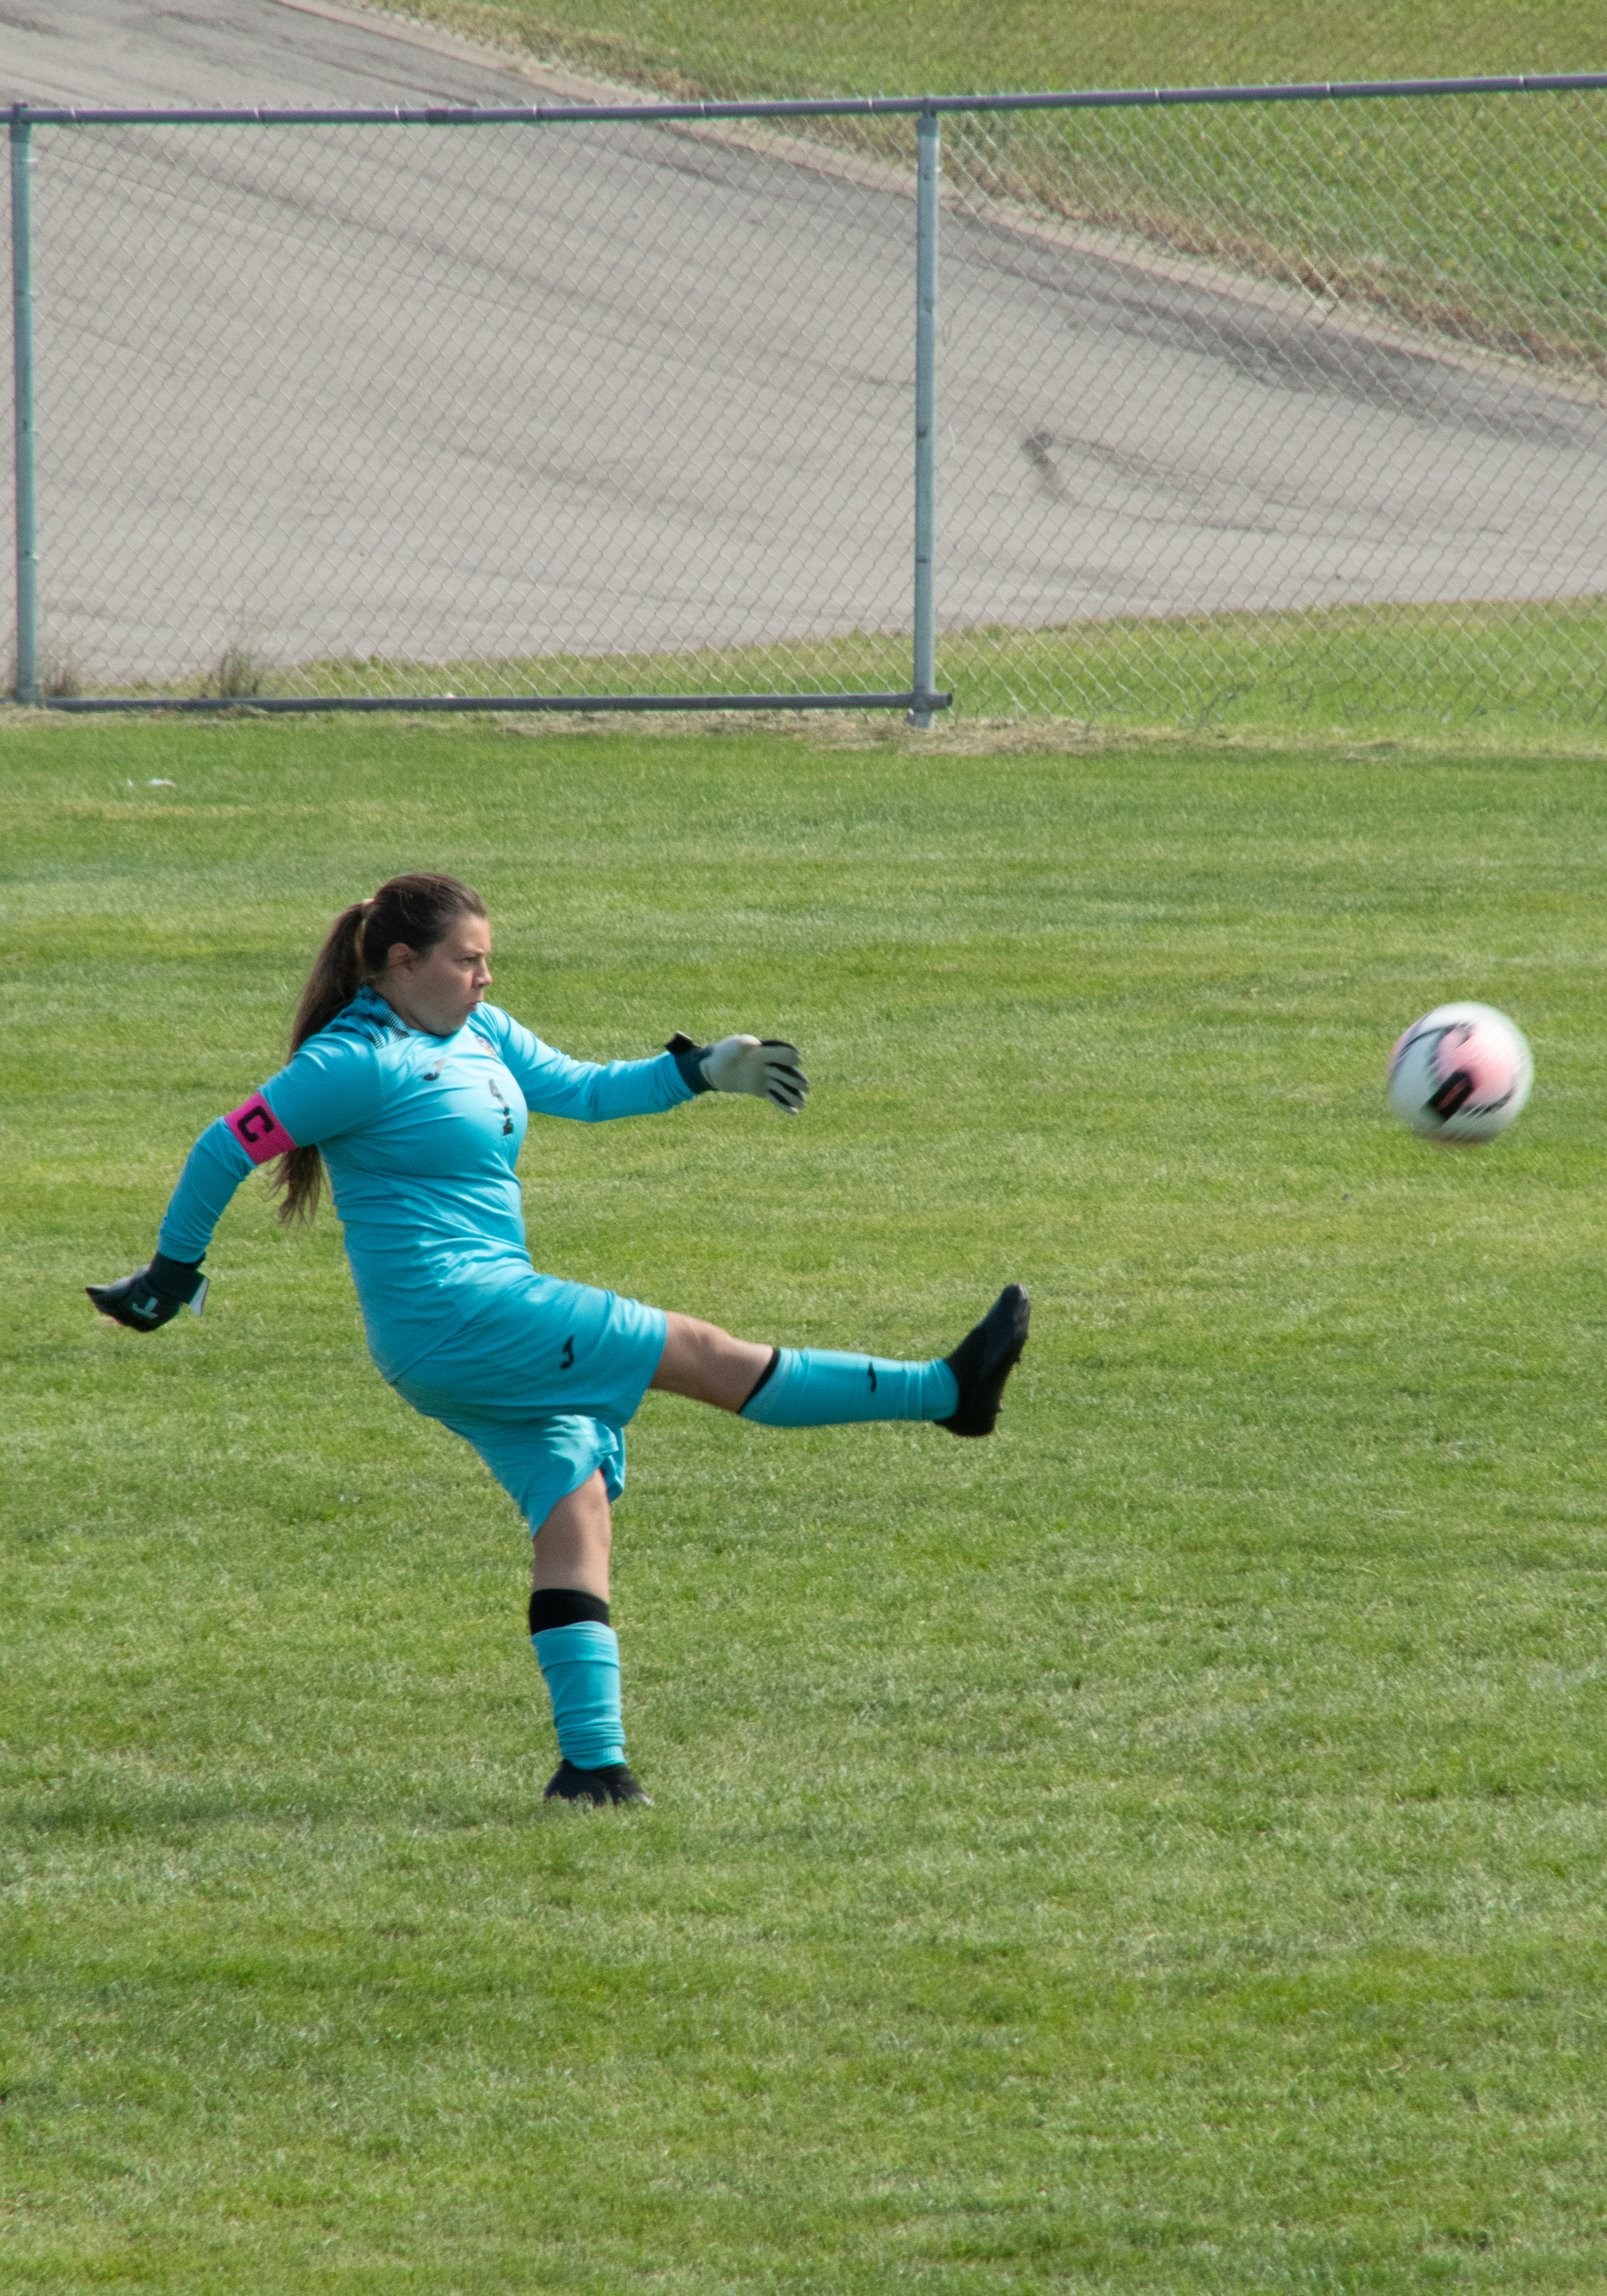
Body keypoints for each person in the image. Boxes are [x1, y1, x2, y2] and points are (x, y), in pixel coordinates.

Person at [89, 872, 1030, 1808]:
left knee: (573, 1508)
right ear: (401, 964)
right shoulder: (354, 1060)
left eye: (489, 961)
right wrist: (171, 1278)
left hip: (453, 1338)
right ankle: (948, 1393)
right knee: (699, 1353)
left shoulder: (478, 1032)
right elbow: (225, 1145)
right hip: (463, 1314)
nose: (486, 979)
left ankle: (592, 1770)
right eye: (469, 961)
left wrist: (702, 1070)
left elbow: (581, 1089)